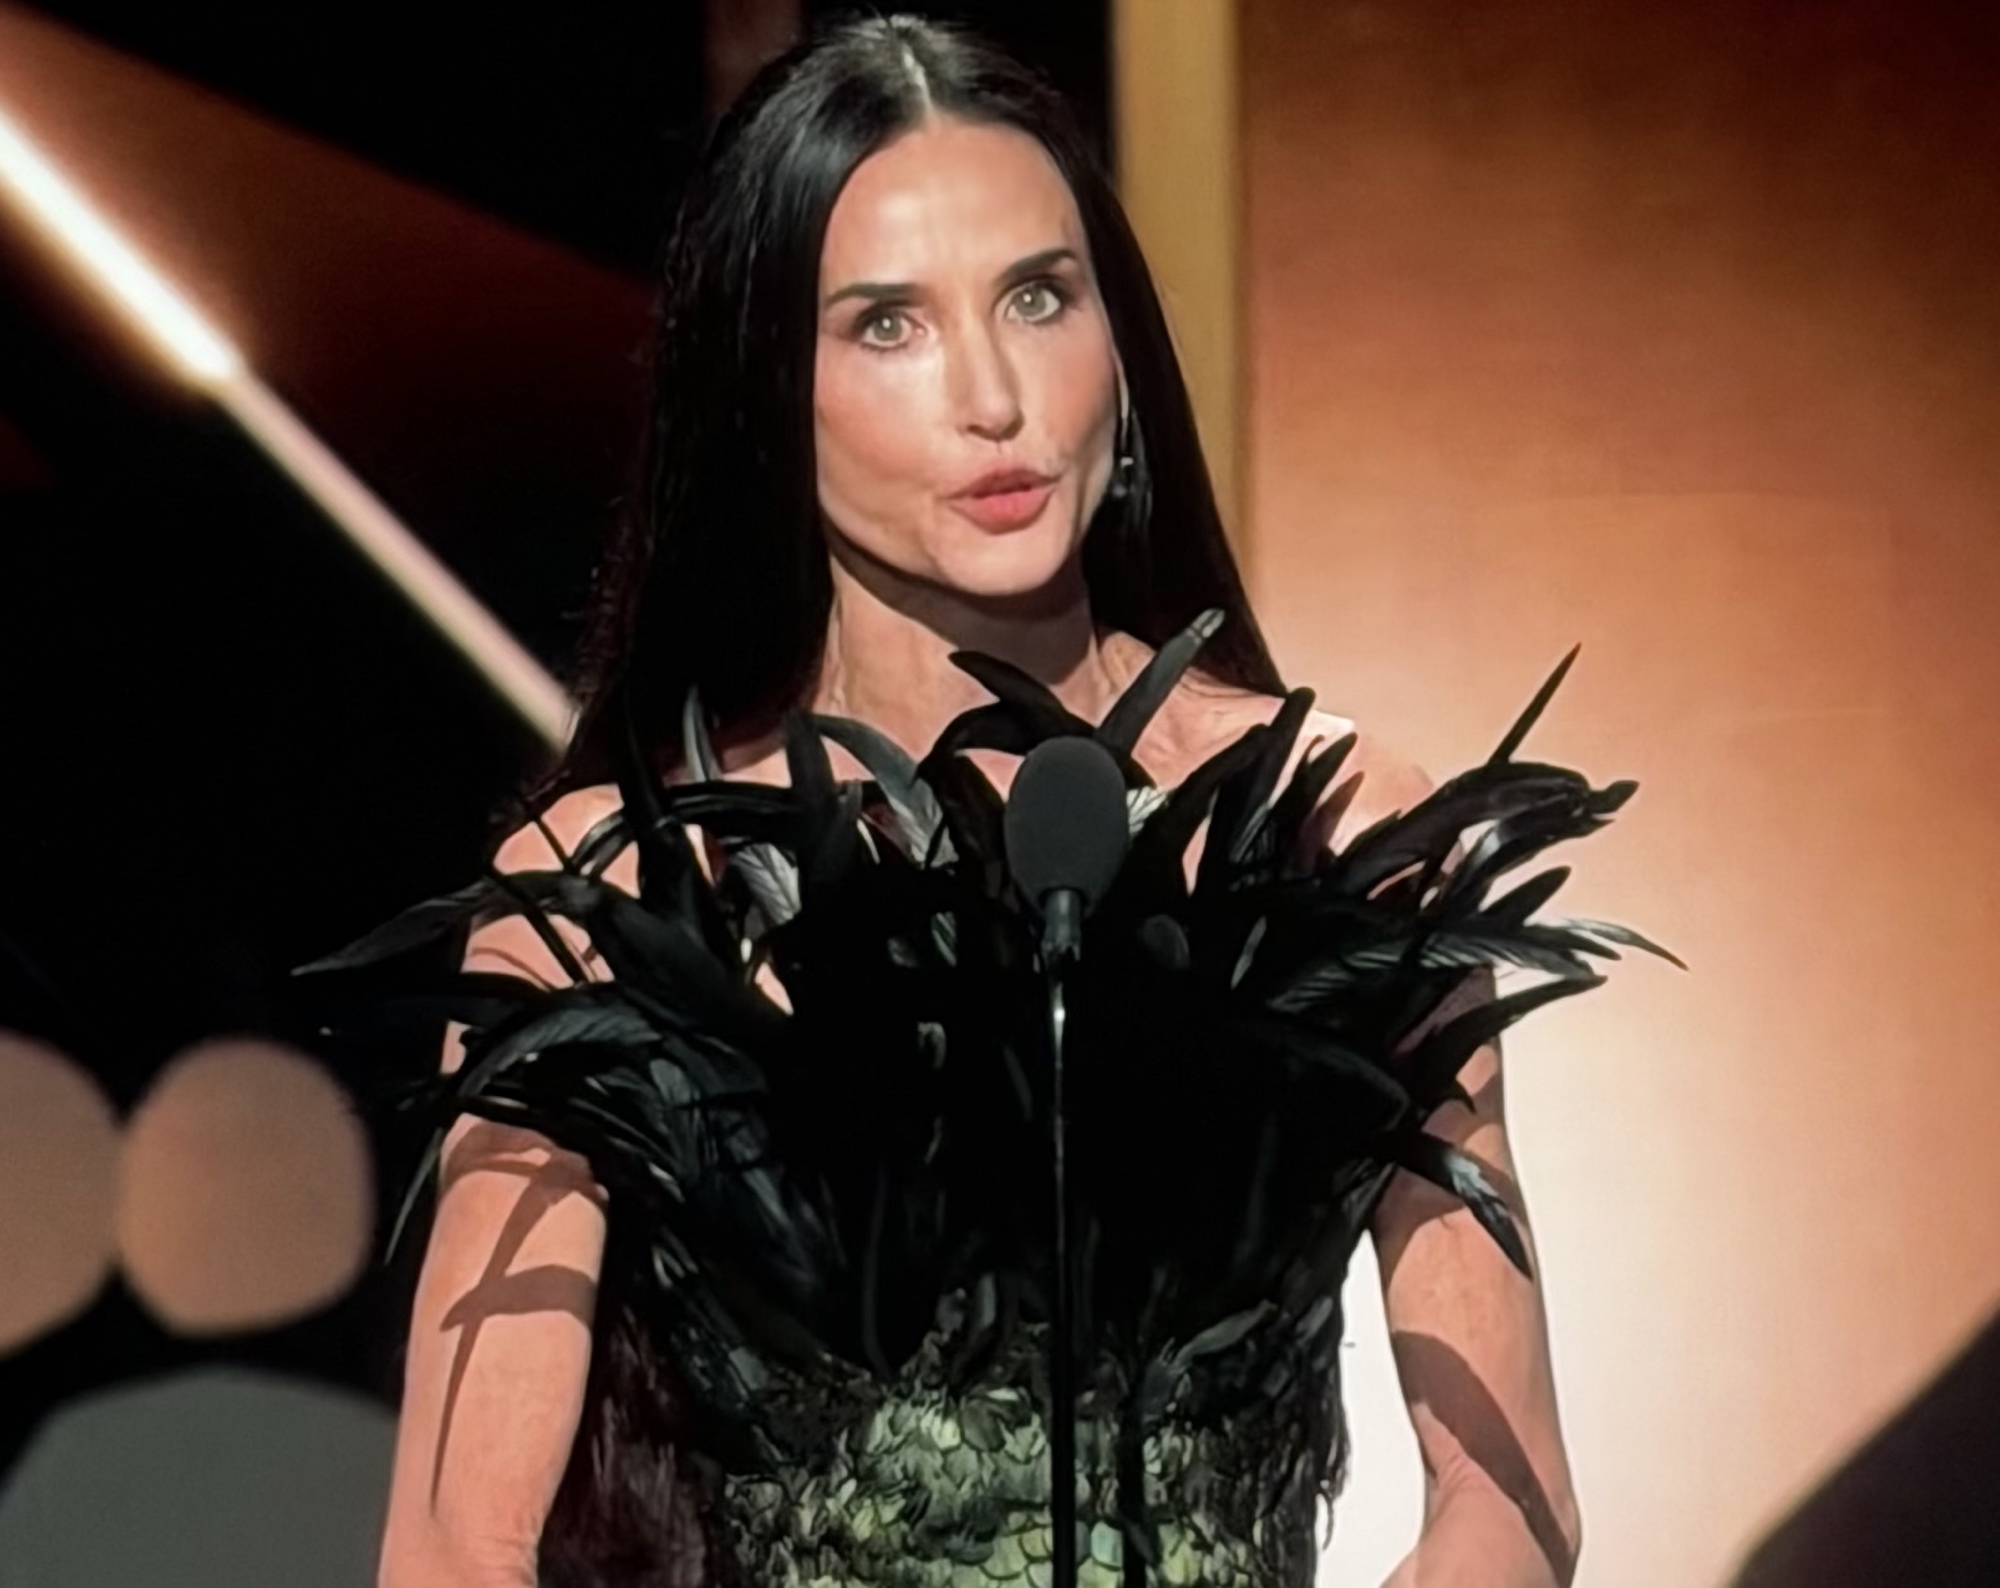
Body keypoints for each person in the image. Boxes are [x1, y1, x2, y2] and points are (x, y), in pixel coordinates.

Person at [374, 16, 1582, 1587]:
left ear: (1121, 344)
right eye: (889, 324)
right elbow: (455, 1545)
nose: (996, 397)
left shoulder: (1341, 828)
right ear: (765, 391)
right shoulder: (616, 886)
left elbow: (1508, 1493)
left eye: (1039, 296)